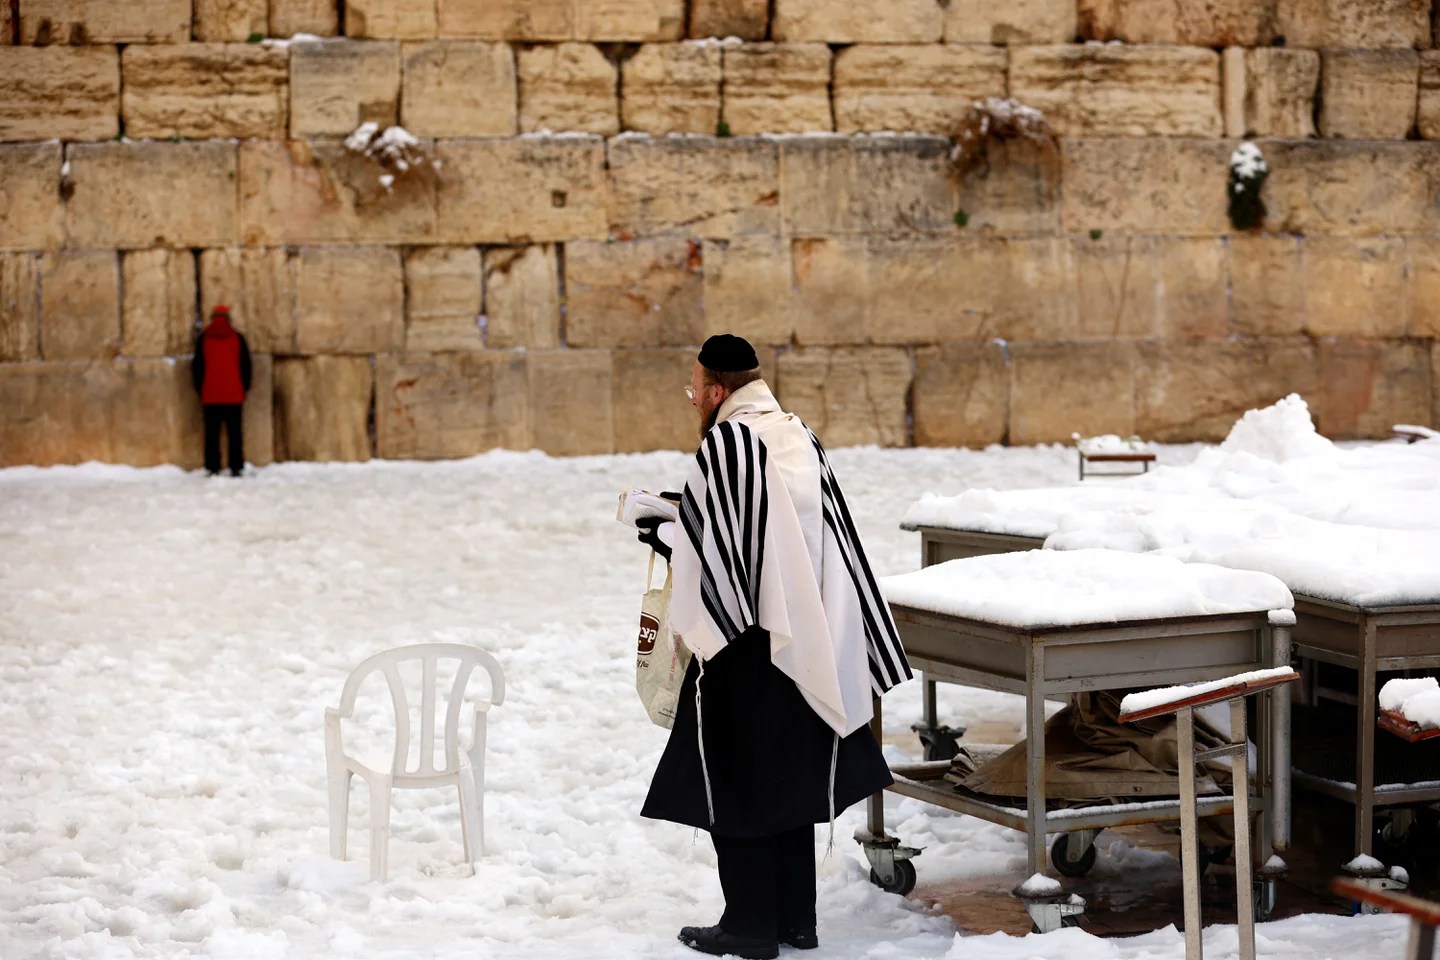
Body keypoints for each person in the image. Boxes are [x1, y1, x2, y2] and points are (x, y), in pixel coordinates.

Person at [635, 334, 912, 960]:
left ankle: (750, 927)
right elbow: (787, 530)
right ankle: (796, 920)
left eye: (694, 391)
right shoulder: (795, 433)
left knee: (736, 782)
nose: (693, 403)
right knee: (790, 778)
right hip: (806, 634)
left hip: (745, 641)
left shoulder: (727, 441)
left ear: (713, 390)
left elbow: (717, 549)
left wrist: (660, 531)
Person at [191, 305, 252, 477]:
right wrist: (243, 388)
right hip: (234, 394)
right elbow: (246, 367)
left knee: (212, 434)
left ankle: (213, 466)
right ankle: (236, 466)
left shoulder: (203, 339)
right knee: (235, 433)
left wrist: (200, 389)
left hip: (210, 394)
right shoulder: (238, 338)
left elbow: (197, 368)